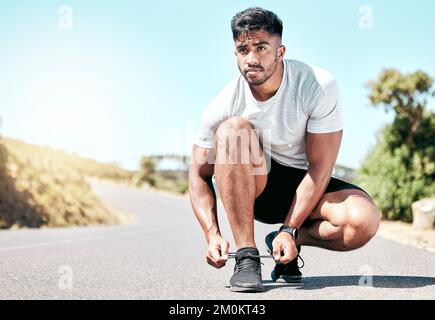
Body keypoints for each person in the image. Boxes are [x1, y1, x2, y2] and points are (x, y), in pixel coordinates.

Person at [188, 7, 380, 292]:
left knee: (361, 221)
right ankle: (247, 256)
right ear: (235, 53)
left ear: (281, 51)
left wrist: (290, 230)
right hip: (258, 189)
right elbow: (198, 174)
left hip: (309, 184)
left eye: (261, 47)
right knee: (232, 130)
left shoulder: (317, 85)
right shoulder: (223, 104)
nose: (251, 59)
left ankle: (285, 240)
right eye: (243, 49)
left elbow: (320, 168)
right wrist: (212, 234)